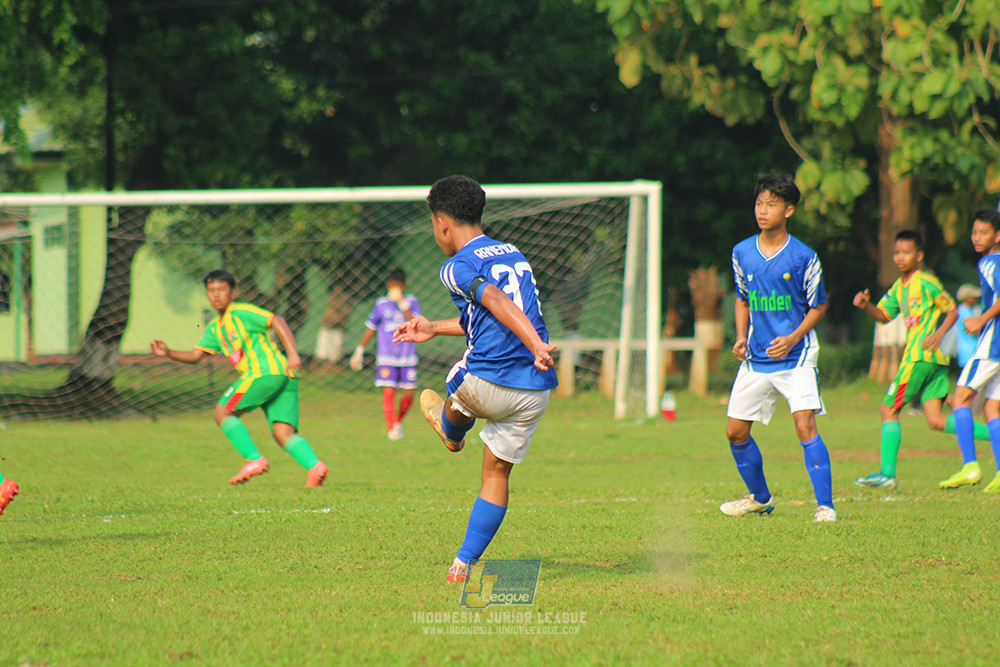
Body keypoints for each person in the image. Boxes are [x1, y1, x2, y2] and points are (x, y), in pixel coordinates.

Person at [394, 175, 557, 582]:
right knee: (495, 474)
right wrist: (433, 326)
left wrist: (535, 343)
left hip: (486, 382)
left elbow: (496, 301)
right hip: (535, 390)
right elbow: (490, 316)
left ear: (442, 224)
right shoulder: (512, 252)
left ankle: (450, 427)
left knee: (456, 379)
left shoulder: (455, 266)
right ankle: (462, 564)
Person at [720, 173, 837, 522]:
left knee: (804, 425)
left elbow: (819, 305)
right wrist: (741, 336)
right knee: (735, 431)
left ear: (789, 210)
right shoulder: (741, 251)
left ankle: (825, 507)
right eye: (759, 203)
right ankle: (759, 498)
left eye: (771, 204)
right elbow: (743, 298)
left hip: (796, 356)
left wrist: (792, 337)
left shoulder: (803, 256)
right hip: (756, 358)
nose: (762, 210)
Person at [150, 270, 328, 487]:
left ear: (233, 292)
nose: (216, 295)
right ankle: (315, 467)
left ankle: (254, 459)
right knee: (282, 432)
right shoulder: (216, 329)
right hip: (285, 375)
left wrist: (292, 353)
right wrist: (169, 352)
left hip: (267, 371)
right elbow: (196, 356)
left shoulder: (241, 313)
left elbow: (277, 320)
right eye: (211, 291)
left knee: (222, 412)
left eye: (221, 290)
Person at [852, 230, 985, 489]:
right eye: (897, 253)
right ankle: (995, 435)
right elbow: (883, 315)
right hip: (934, 361)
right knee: (935, 420)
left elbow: (952, 310)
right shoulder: (898, 288)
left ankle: (887, 474)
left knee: (888, 409)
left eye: (906, 252)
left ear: (919, 255)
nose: (900, 257)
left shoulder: (926, 282)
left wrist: (938, 333)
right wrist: (866, 305)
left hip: (919, 357)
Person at [941, 209, 1000, 492]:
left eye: (983, 233)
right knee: (992, 407)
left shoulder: (989, 262)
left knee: (960, 399)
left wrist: (981, 319)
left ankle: (970, 466)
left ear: (997, 235)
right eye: (975, 232)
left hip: (993, 343)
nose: (976, 237)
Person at [349, 268, 421, 440]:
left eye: (398, 286)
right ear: (388, 285)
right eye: (392, 285)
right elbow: (371, 327)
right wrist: (359, 350)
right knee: (388, 392)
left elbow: (416, 324)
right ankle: (391, 428)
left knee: (409, 394)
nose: (395, 288)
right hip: (386, 356)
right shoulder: (380, 303)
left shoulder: (411, 301)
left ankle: (398, 422)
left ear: (404, 286)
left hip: (407, 356)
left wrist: (403, 304)